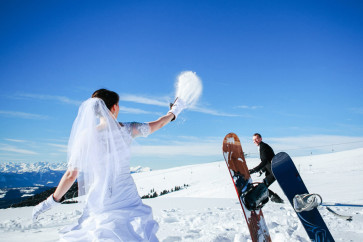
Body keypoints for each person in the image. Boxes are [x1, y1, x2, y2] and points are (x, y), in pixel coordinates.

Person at [32, 89, 186, 241]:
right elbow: (159, 124)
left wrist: (50, 202)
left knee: (99, 232)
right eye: (118, 105)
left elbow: (71, 174)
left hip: (100, 197)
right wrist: (175, 110)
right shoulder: (128, 129)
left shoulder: (86, 136)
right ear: (114, 107)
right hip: (126, 195)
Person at [249, 133, 283, 204]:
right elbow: (267, 161)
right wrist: (262, 170)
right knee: (263, 186)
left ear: (261, 139)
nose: (255, 141)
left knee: (263, 186)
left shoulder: (264, 147)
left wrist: (254, 170)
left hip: (273, 172)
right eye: (253, 140)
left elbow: (264, 161)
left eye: (256, 139)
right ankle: (274, 198)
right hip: (271, 171)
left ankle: (275, 199)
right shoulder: (262, 147)